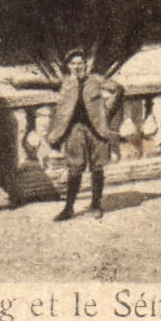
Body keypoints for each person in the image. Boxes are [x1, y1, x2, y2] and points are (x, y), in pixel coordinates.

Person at [45, 49, 123, 221]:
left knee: (97, 168)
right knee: (75, 168)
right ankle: (68, 208)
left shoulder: (95, 80)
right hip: (75, 129)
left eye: (80, 63)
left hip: (97, 129)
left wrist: (107, 112)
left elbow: (118, 89)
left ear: (85, 65)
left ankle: (96, 205)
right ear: (68, 66)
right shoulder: (65, 83)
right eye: (73, 64)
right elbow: (39, 83)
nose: (77, 67)